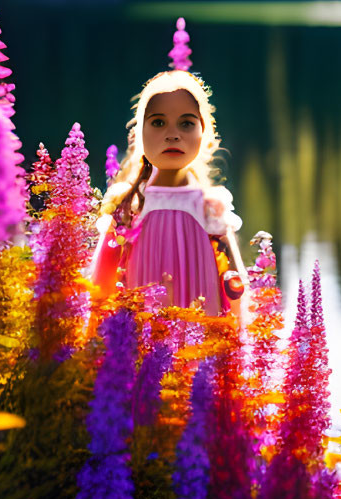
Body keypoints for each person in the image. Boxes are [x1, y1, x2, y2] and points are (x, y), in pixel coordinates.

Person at [89, 67, 246, 319]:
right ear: (140, 132)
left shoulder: (211, 207)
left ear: (203, 132)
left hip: (201, 336)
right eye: (159, 122)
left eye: (186, 123)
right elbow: (101, 283)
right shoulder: (129, 206)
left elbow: (237, 288)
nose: (173, 135)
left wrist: (236, 343)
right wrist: (96, 344)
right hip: (139, 334)